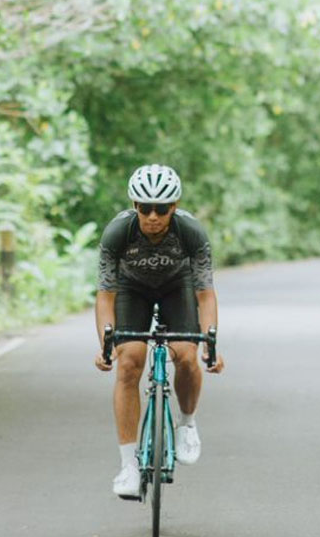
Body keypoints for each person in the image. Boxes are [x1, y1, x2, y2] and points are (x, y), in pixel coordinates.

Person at [94, 163, 225, 499]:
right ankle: (128, 466)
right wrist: (106, 344)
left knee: (185, 354)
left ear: (175, 207)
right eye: (145, 208)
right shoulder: (117, 233)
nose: (153, 216)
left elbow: (205, 294)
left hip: (176, 287)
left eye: (162, 208)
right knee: (130, 361)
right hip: (131, 289)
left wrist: (210, 341)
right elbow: (106, 296)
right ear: (134, 206)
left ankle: (188, 423)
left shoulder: (191, 232)